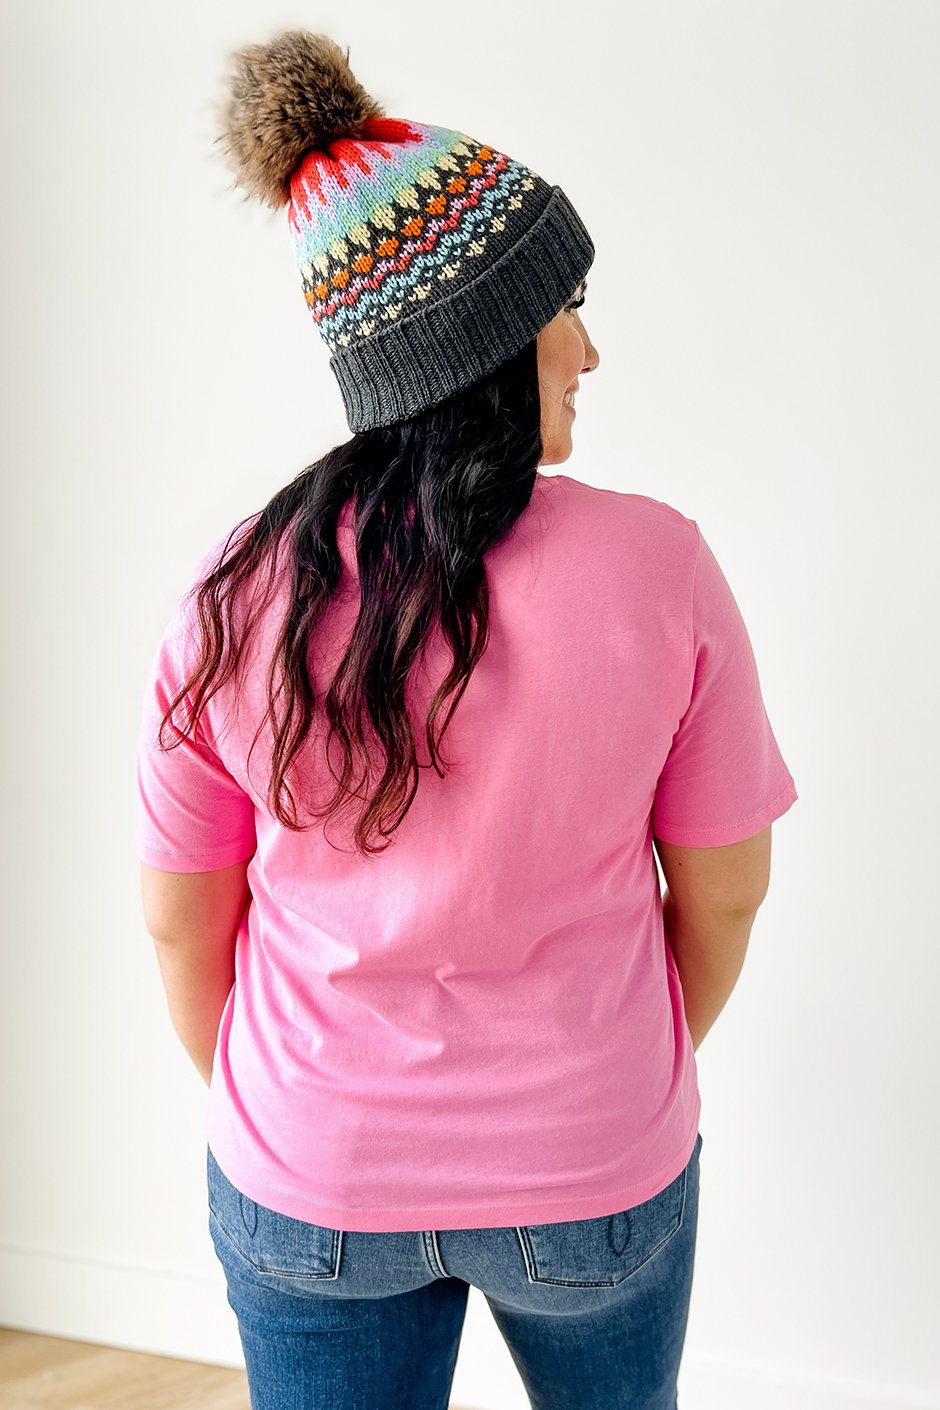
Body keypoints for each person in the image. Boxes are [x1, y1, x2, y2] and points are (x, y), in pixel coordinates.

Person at [135, 28, 798, 1410]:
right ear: (484, 338)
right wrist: (612, 1076)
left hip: (312, 1171)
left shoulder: (232, 592)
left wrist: (302, 1113)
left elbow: (181, 922)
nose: (591, 349)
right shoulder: (661, 567)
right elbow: (726, 895)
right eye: (567, 307)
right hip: (592, 1168)